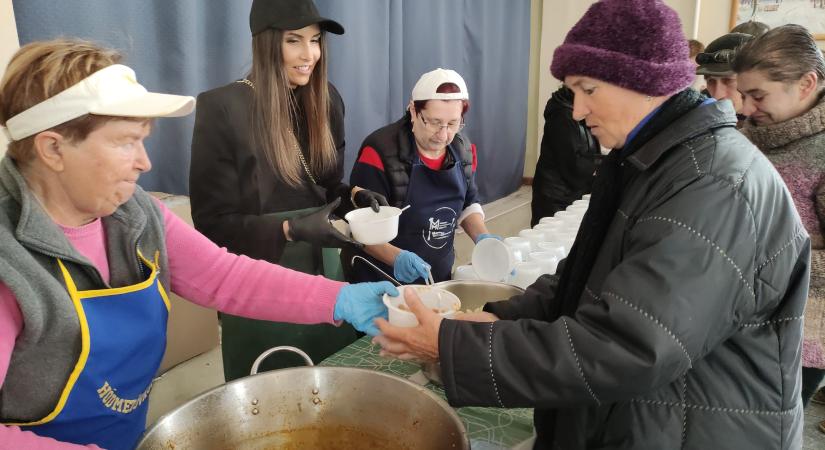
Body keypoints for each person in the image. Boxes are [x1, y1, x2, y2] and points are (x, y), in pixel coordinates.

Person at [374, 1, 809, 448]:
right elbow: (585, 277)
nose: (578, 111)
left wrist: (450, 348)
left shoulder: (713, 186)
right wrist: (494, 317)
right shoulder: (651, 162)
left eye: (588, 89)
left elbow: (627, 347)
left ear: (644, 83)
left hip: (699, 428)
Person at [0, 39, 395, 450]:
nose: (145, 162)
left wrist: (340, 299)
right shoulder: (9, 259)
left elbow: (223, 277)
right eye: (124, 142)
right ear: (52, 149)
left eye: (143, 140)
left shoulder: (133, 213)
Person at [189, 0, 388, 381]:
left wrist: (355, 197)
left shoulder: (326, 99)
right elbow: (212, 225)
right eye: (294, 40)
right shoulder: (224, 108)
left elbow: (326, 186)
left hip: (326, 270)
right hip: (258, 277)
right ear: (266, 43)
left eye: (315, 40)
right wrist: (288, 230)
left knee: (332, 386)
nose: (309, 54)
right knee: (270, 395)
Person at [732, 23, 825, 419]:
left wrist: (766, 263)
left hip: (798, 337)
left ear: (806, 83)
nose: (746, 108)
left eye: (758, 96)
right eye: (744, 95)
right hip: (738, 318)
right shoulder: (748, 134)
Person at [344, 68, 497, 284]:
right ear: (413, 111)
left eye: (453, 123)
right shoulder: (379, 152)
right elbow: (360, 229)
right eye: (434, 122)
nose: (443, 135)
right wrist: (398, 258)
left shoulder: (462, 149)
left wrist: (483, 238)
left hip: (437, 278)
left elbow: (468, 204)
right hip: (382, 281)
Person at [530, 85, 602, 226]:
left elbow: (588, 152)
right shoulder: (562, 116)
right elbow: (573, 165)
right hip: (555, 198)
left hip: (572, 192)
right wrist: (603, 165)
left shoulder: (579, 112)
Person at [695, 32, 755, 122]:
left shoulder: (773, 129)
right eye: (711, 81)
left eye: (728, 80)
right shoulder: (701, 119)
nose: (717, 95)